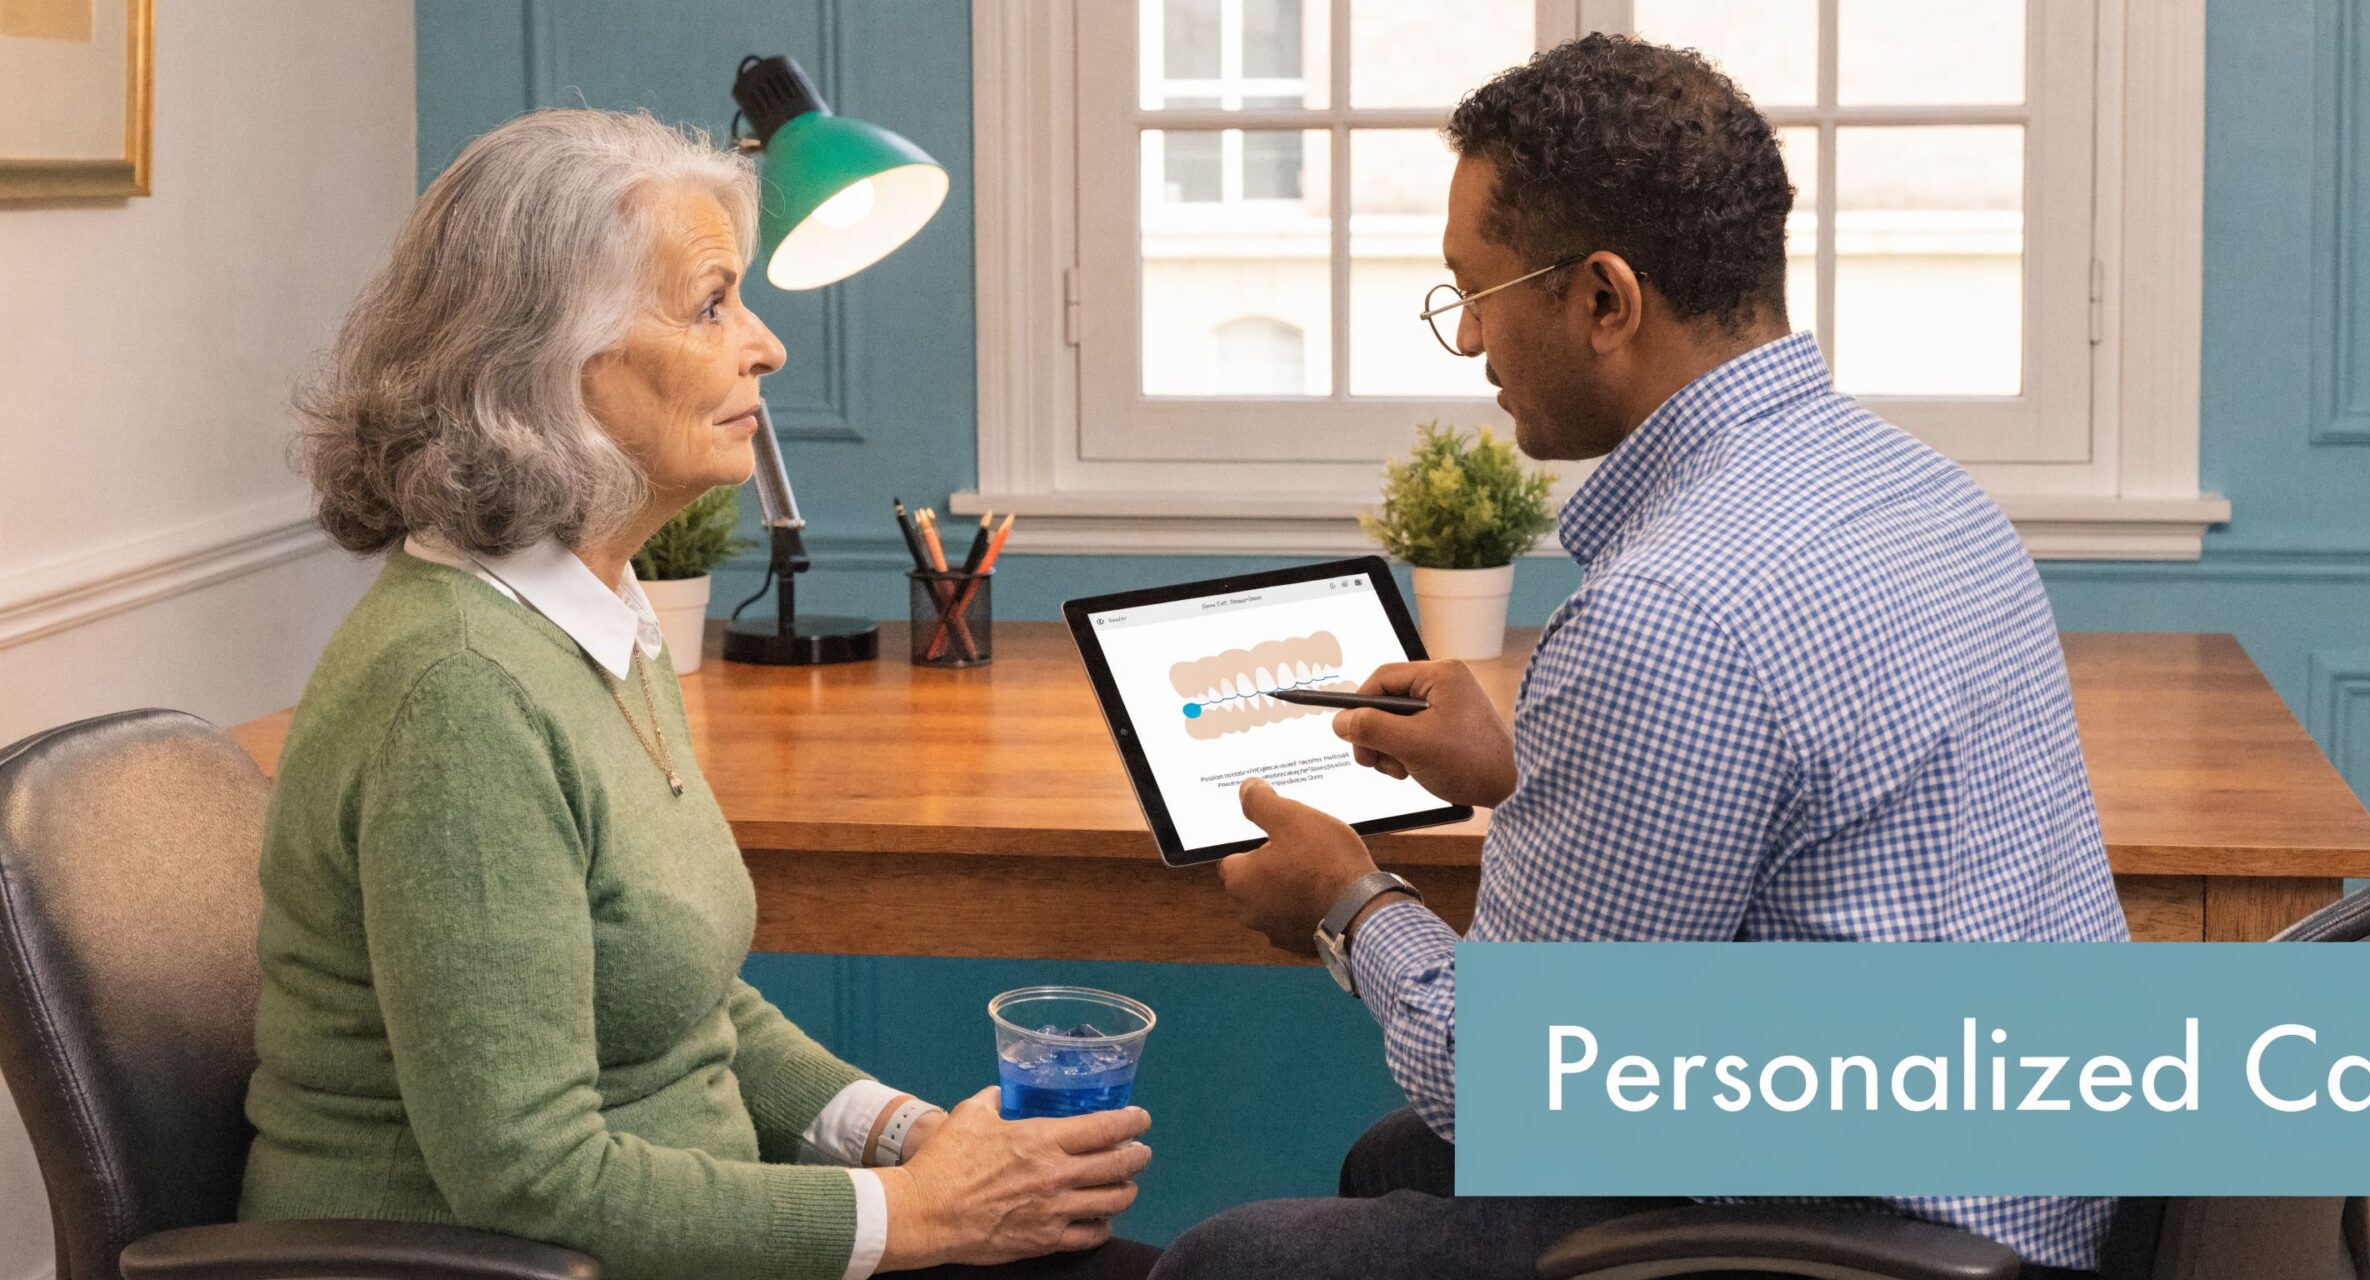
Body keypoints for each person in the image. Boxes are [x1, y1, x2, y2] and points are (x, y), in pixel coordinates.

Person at [1163, 34, 2128, 1280]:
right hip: (2035, 1177)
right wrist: (1526, 768)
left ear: (1603, 299)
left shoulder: (1671, 612)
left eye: (1475, 291)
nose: (1468, 341)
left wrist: (1347, 904)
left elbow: (1507, 1082)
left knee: (1219, 1261)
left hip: (1885, 1238)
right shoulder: (1923, 492)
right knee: (1390, 1164)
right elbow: (1786, 829)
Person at [239, 109, 1156, 1280]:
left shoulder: (598, 616)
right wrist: (917, 1211)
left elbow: (691, 1011)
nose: (765, 345)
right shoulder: (459, 692)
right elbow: (529, 1182)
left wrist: (913, 1138)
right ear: (551, 359)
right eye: (712, 302)